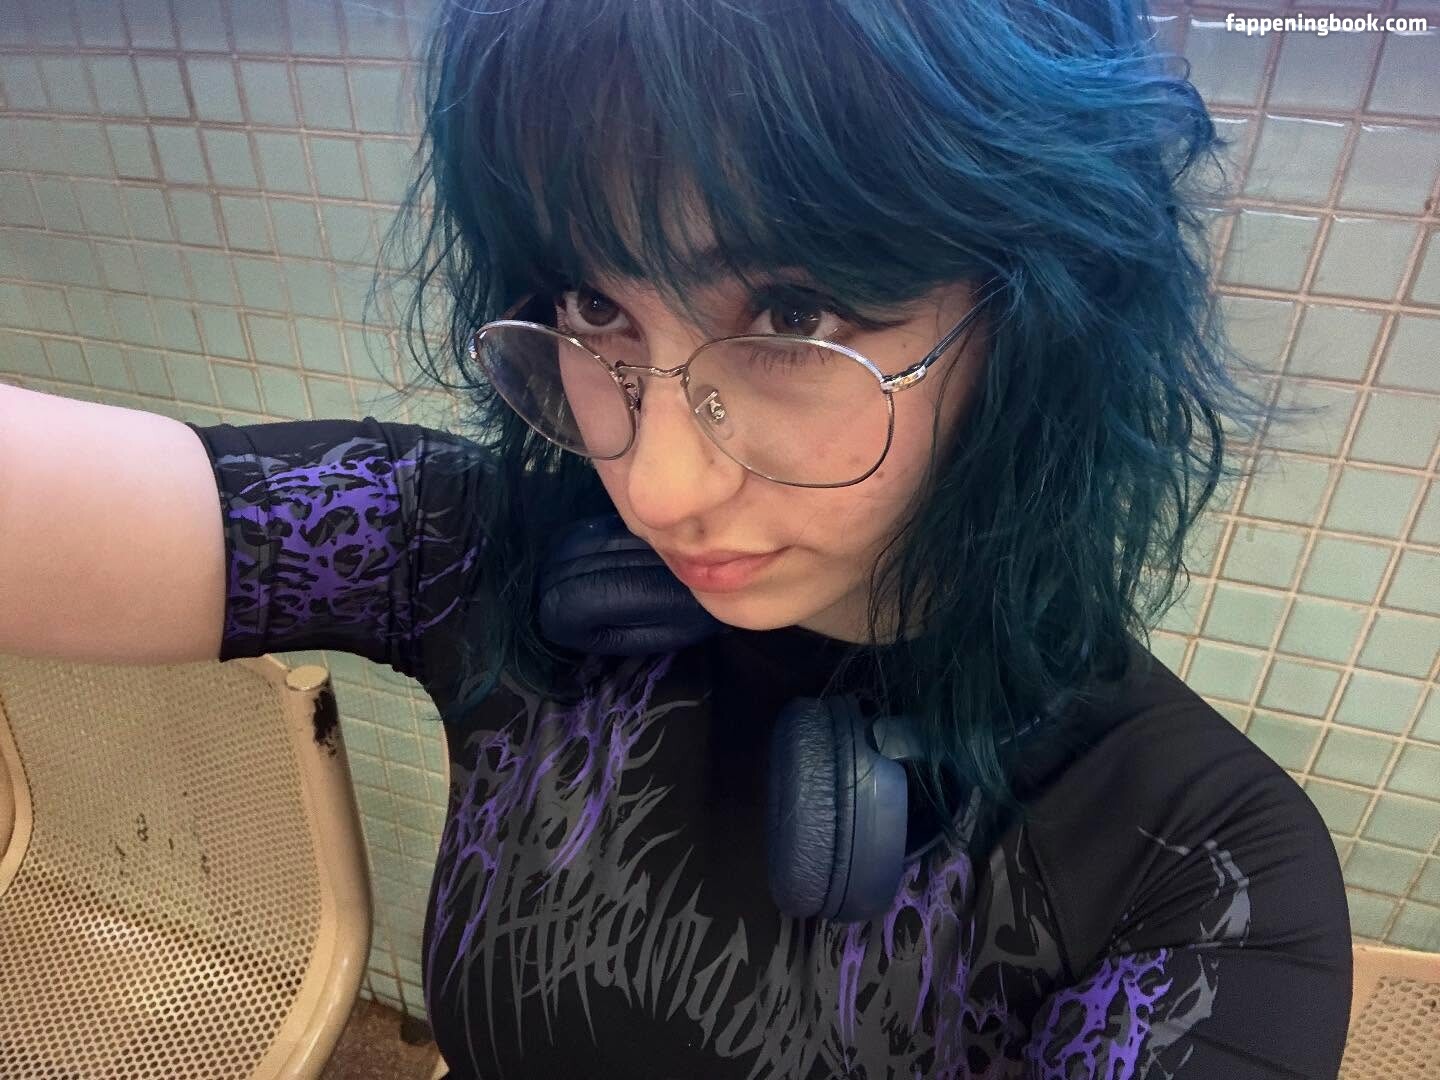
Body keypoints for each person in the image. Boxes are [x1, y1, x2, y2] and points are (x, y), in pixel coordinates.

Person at [0, 0, 1354, 1076]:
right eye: (596, 306)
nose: (656, 484)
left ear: (1040, 318)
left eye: (795, 316)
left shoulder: (1203, 878)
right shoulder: (478, 556)